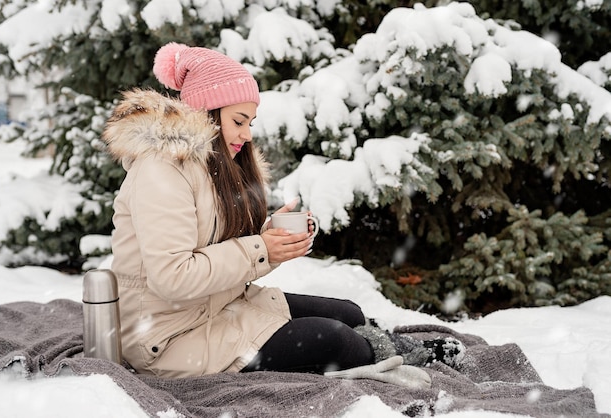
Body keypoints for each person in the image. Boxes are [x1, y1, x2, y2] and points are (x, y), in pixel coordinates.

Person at [102, 42, 463, 381]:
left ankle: (381, 349)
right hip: (166, 338)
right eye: (239, 120)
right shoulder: (161, 170)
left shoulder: (213, 167)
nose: (245, 135)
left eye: (250, 123)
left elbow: (217, 247)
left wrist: (270, 237)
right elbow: (174, 276)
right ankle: (385, 353)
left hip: (217, 307)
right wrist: (261, 248)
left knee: (349, 312)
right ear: (207, 114)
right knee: (333, 339)